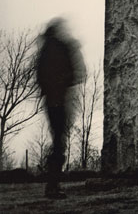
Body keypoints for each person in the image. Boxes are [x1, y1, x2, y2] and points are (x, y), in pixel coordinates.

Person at [36, 17, 85, 199]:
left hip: (53, 100)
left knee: (58, 141)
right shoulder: (60, 47)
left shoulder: (48, 47)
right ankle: (52, 185)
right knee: (59, 143)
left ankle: (53, 184)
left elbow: (40, 76)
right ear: (57, 30)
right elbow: (75, 73)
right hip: (59, 100)